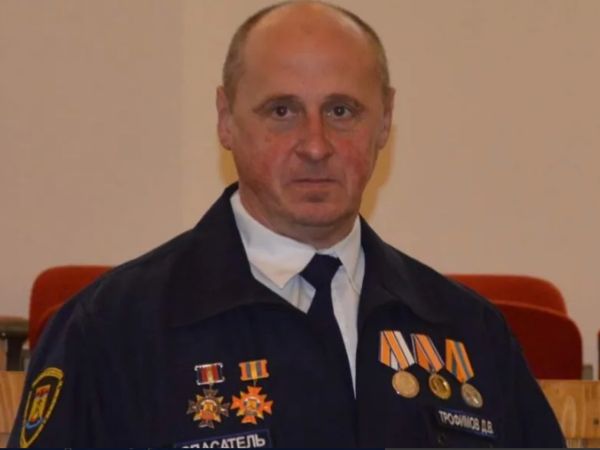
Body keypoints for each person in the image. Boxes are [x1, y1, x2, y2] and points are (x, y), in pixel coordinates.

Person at [10, 1, 564, 447]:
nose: (315, 145)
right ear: (226, 120)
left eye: (342, 111)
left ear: (385, 121)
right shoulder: (110, 330)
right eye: (282, 111)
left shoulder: (467, 332)